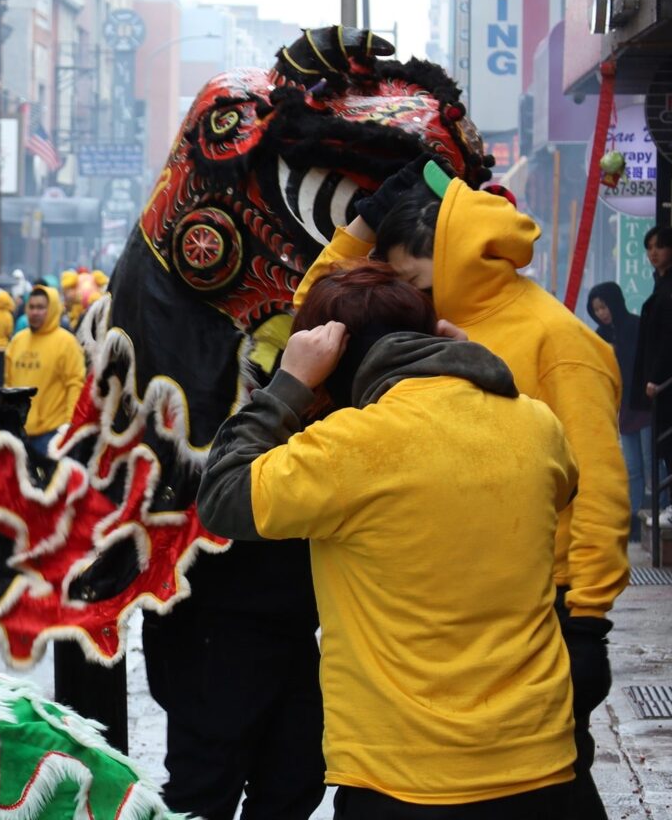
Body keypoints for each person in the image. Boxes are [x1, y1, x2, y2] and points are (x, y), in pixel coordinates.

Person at [302, 164, 628, 817]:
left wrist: (586, 622)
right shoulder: (428, 326)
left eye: (413, 282)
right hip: (433, 601)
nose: (402, 297)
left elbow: (597, 489)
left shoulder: (557, 339)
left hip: (537, 614)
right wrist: (361, 225)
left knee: (542, 780)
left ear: (448, 262)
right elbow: (318, 315)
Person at [201, 264, 576, 818]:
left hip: (405, 778)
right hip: (540, 763)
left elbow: (224, 496)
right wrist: (473, 363)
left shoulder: (350, 450)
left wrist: (290, 384)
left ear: (334, 364)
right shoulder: (537, 424)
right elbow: (561, 485)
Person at [588, 281, 653, 540]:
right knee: (632, 467)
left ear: (614, 302)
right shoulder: (600, 335)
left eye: (604, 307)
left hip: (644, 403)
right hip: (624, 406)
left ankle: (659, 512)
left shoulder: (635, 326)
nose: (602, 313)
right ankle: (635, 517)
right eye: (596, 310)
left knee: (651, 462)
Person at [2, 286, 85, 458]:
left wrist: (69, 426)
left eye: (41, 307)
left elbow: (75, 385)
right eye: (31, 307)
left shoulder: (67, 343)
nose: (35, 312)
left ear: (53, 308)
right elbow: (8, 385)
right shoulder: (17, 341)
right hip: (19, 434)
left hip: (52, 435)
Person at [635, 226, 672, 478]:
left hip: (663, 380)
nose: (653, 252)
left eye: (659, 246)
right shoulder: (659, 284)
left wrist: (656, 377)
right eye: (649, 247)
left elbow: (668, 337)